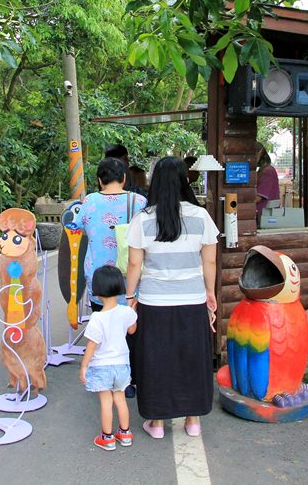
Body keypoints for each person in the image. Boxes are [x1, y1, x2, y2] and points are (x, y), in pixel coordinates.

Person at [125, 156, 219, 439]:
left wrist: (130, 296)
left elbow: (133, 265)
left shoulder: (143, 218)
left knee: (156, 360)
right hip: (192, 299)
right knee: (191, 358)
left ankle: (156, 423)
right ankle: (192, 421)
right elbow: (210, 262)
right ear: (184, 180)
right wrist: (210, 294)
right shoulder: (201, 216)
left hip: (154, 302)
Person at [77, 157, 148, 312]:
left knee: (103, 325)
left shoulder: (90, 201)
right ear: (123, 178)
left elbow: (79, 229)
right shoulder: (140, 201)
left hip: (99, 277)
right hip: (132, 277)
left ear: (100, 180)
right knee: (132, 328)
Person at [79, 266, 138, 451]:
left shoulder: (97, 318)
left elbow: (92, 345)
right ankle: (125, 433)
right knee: (120, 398)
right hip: (122, 365)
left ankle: (107, 438)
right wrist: (132, 310)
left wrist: (84, 366)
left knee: (106, 401)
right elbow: (132, 330)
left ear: (97, 292)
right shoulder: (125, 312)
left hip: (102, 366)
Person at [256, 145, 280, 212]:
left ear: (260, 154)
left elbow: (258, 197)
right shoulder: (263, 170)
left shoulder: (267, 171)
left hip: (265, 214)